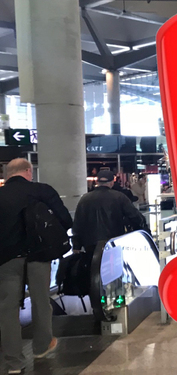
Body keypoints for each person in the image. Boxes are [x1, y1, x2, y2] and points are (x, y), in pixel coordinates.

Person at [0, 158, 73, 372]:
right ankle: (42, 346)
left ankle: (14, 362)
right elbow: (66, 220)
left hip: (6, 258)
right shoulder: (42, 191)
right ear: (28, 171)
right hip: (39, 256)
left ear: (7, 175)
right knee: (40, 301)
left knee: (7, 309)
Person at [72, 170, 148, 255]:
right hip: (114, 241)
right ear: (112, 182)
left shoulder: (85, 199)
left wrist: (76, 245)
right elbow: (135, 217)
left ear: (97, 182)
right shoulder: (119, 197)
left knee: (92, 262)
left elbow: (78, 223)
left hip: (90, 243)